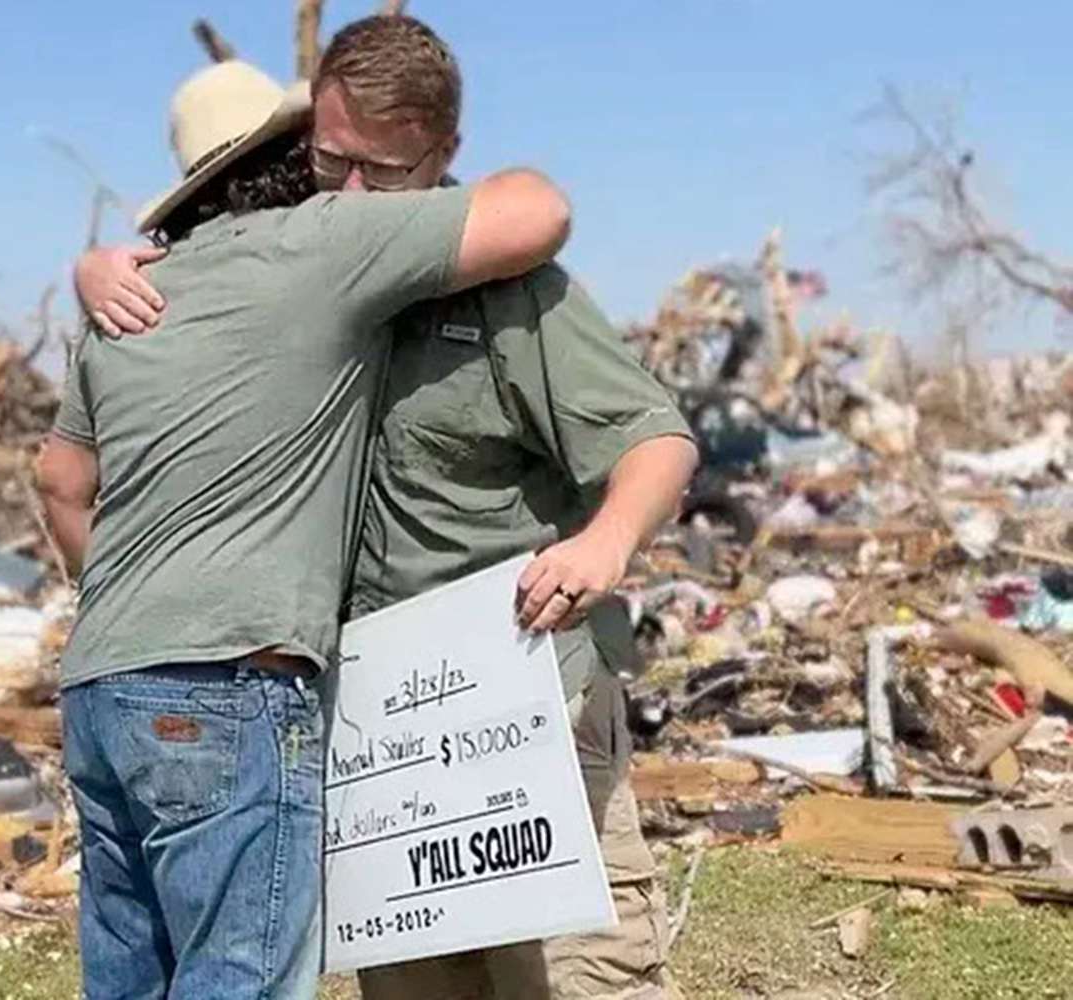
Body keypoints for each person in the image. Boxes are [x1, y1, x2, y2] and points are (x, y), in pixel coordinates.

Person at [76, 16, 698, 1000]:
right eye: (333, 163)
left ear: (446, 155)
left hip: (529, 700)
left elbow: (656, 439)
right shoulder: (289, 271)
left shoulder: (510, 291)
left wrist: (605, 545)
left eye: (388, 172)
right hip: (376, 732)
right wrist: (97, 269)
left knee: (582, 983)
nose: (355, 195)